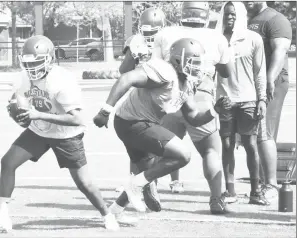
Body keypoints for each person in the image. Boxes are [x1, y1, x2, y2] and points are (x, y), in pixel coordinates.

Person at [0, 35, 120, 235]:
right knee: (8, 162)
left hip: (66, 134)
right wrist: (15, 110)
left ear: (49, 59)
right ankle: (3, 217)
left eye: (36, 62)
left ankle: (107, 214)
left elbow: (78, 119)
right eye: (27, 63)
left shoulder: (61, 80)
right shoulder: (22, 78)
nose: (31, 68)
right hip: (39, 130)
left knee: (84, 183)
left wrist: (38, 114)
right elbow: (19, 101)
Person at [93, 37, 232, 215]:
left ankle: (114, 212)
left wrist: (215, 111)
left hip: (140, 123)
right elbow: (127, 78)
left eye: (199, 63)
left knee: (147, 174)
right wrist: (105, 110)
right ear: (176, 59)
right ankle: (137, 185)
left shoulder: (187, 83)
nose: (197, 67)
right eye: (193, 62)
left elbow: (193, 117)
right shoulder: (163, 70)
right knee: (182, 155)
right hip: (132, 123)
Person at [150, 1, 235, 213]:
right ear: (205, 15)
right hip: (201, 96)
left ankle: (148, 187)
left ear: (183, 13)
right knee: (210, 151)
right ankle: (216, 198)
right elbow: (227, 72)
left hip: (170, 96)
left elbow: (155, 67)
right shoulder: (217, 37)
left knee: (159, 149)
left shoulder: (165, 33)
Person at [215, 1, 268, 205]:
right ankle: (230, 191)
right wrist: (216, 99)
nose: (230, 17)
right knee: (226, 145)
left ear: (242, 16)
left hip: (248, 100)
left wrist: (261, 99)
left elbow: (259, 72)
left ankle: (256, 191)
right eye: (227, 14)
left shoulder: (253, 39)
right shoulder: (216, 39)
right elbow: (210, 73)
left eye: (234, 14)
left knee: (250, 145)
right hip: (225, 101)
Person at [114, 7, 165, 214]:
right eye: (147, 30)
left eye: (155, 30)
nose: (151, 35)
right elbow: (123, 70)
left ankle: (144, 184)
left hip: (161, 97)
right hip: (141, 98)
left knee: (155, 145)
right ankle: (139, 185)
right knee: (139, 145)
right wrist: (136, 60)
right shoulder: (136, 41)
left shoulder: (168, 41)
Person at [245, 2, 292, 202]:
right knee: (251, 135)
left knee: (265, 131)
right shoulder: (242, 18)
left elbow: (279, 51)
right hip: (249, 83)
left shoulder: (276, 19)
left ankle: (271, 185)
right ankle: (260, 184)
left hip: (271, 82)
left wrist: (270, 79)